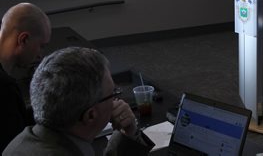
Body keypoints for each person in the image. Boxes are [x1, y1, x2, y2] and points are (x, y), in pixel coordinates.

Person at [3, 47, 154, 155]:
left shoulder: (23, 141)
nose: (116, 100)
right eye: (113, 93)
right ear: (90, 115)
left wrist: (127, 136)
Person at [0, 3, 51, 152]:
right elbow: (16, 146)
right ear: (23, 39)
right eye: (41, 46)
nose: (40, 54)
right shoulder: (4, 87)